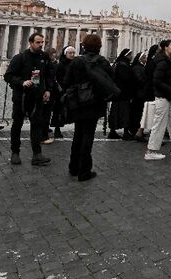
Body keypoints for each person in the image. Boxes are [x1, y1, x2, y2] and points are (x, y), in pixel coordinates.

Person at [63, 33, 120, 181]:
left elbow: (66, 81)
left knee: (78, 134)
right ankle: (84, 171)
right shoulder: (102, 62)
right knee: (88, 135)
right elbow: (110, 82)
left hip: (77, 102)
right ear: (99, 47)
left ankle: (73, 167)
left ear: (83, 46)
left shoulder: (76, 61)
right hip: (94, 102)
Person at [3, 32, 53, 166]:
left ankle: (37, 154)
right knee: (17, 124)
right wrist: (21, 82)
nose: (41, 45)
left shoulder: (44, 57)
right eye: (38, 42)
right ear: (30, 43)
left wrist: (48, 89)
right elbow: (8, 76)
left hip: (36, 97)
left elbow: (49, 75)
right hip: (21, 96)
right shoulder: (20, 58)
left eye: (42, 42)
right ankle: (15, 152)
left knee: (36, 125)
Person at [109, 49, 138, 140]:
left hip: (117, 93)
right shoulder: (123, 66)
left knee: (115, 112)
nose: (131, 56)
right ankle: (125, 133)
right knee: (125, 113)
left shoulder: (118, 64)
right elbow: (127, 80)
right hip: (124, 93)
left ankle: (112, 131)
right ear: (126, 56)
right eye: (130, 55)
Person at [53, 45, 77, 138]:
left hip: (72, 90)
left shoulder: (75, 64)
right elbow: (58, 78)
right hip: (62, 91)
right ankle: (57, 129)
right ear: (65, 53)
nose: (72, 55)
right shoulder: (61, 65)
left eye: (73, 53)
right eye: (70, 53)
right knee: (59, 110)